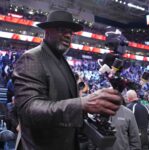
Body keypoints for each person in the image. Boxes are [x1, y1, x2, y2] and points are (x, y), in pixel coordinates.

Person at [13, 10, 122, 150]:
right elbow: (28, 110)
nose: (68, 35)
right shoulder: (32, 58)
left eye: (70, 32)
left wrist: (93, 107)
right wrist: (81, 104)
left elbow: (66, 103)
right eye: (61, 30)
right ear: (47, 31)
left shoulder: (63, 62)